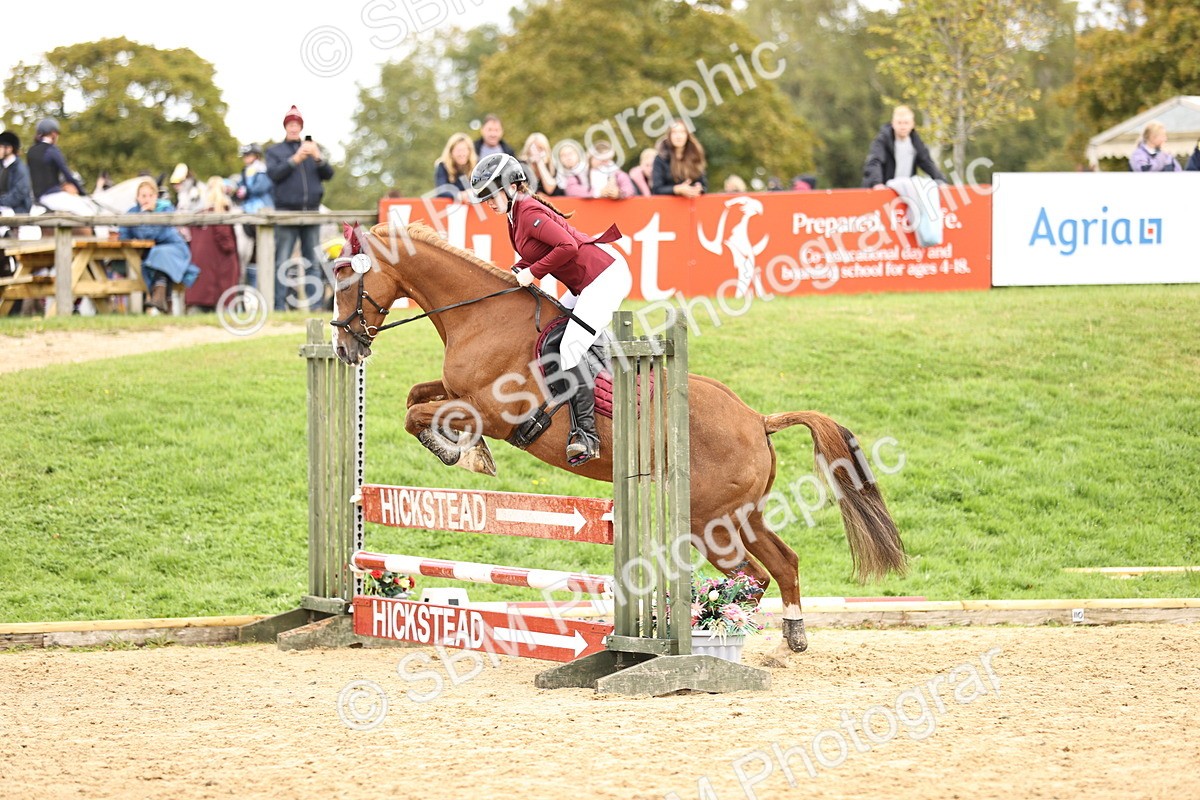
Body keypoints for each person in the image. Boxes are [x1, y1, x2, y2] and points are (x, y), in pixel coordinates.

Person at [470, 153, 632, 467]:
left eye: (492, 194)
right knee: (552, 336)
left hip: (604, 278)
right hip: (585, 283)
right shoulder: (515, 214)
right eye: (485, 197)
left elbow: (567, 247)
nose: (488, 202)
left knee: (570, 349)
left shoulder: (527, 209)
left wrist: (533, 273)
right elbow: (537, 253)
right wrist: (515, 271)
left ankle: (587, 435)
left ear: (510, 186)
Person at [266, 104, 334, 311]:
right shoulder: (275, 151)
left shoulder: (314, 149)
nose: (294, 128)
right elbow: (274, 175)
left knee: (312, 262)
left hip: (311, 213)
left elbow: (329, 174)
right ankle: (278, 308)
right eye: (290, 124)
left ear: (301, 127)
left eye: (297, 124)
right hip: (286, 213)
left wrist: (317, 157)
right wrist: (295, 160)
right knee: (282, 262)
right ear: (286, 126)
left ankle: (315, 308)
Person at [119, 178, 200, 313]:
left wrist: (146, 214)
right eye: (143, 196)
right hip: (152, 252)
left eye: (151, 195)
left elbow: (151, 234)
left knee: (158, 254)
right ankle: (164, 303)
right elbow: (124, 232)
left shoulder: (165, 209)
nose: (147, 199)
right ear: (137, 197)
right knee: (156, 257)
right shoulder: (132, 212)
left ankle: (159, 299)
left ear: (156, 196)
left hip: (175, 249)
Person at [184, 178, 240, 310]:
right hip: (218, 276)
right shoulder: (221, 215)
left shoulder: (199, 215)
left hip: (200, 274)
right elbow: (227, 244)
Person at [862, 105, 947, 189]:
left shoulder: (915, 141)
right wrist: (876, 183)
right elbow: (875, 161)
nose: (903, 126)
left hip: (905, 190)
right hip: (885, 188)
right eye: (899, 123)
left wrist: (941, 180)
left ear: (912, 124)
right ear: (893, 123)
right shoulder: (883, 140)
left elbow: (927, 162)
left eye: (906, 123)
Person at [26, 118, 92, 214]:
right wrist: (82, 192)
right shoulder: (52, 150)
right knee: (88, 211)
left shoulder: (31, 151)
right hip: (52, 196)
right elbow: (67, 175)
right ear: (53, 134)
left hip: (36, 198)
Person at [235, 143, 273, 287]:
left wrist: (245, 191)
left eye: (248, 155)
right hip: (247, 208)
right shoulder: (246, 171)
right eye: (245, 156)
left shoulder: (262, 169)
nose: (246, 158)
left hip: (261, 207)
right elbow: (240, 186)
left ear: (256, 156)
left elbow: (260, 188)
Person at [651, 120, 707, 197]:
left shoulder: (695, 156)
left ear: (687, 135)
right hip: (667, 206)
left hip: (691, 205)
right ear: (669, 135)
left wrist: (698, 188)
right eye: (674, 132)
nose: (678, 136)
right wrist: (677, 189)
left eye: (682, 132)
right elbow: (656, 189)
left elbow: (703, 185)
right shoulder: (660, 159)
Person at [433, 132, 477, 200]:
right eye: (458, 150)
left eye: (464, 150)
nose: (462, 154)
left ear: (469, 151)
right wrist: (460, 195)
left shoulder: (476, 166)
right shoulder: (442, 166)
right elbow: (441, 190)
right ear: (451, 152)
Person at [0, 131, 33, 215]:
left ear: (9, 148)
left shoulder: (20, 168)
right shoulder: (2, 166)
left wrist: (1, 201)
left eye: (0, 146)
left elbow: (19, 193)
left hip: (17, 209)